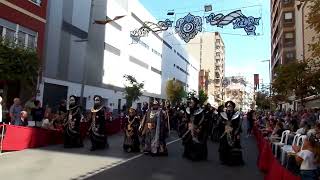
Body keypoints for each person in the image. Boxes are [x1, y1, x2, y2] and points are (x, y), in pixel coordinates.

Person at [181, 97, 209, 161]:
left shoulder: (200, 111)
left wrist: (199, 127)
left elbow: (203, 120)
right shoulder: (188, 110)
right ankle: (187, 154)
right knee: (188, 141)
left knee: (196, 142)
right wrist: (185, 122)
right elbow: (186, 118)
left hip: (197, 128)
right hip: (189, 127)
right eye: (190, 102)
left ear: (195, 103)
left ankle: (196, 155)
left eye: (192, 102)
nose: (191, 103)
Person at [218, 101, 244, 166]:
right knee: (223, 146)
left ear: (233, 107)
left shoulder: (236, 114)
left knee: (233, 146)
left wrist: (235, 131)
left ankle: (232, 160)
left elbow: (238, 124)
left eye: (230, 106)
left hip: (233, 132)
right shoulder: (223, 114)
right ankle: (224, 159)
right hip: (225, 132)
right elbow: (219, 123)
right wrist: (224, 125)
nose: (229, 107)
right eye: (228, 106)